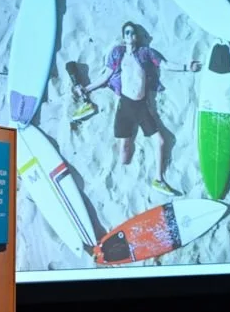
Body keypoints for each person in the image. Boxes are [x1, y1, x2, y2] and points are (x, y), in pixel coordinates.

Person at [79, 21, 201, 195]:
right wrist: (87, 89)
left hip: (142, 105)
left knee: (160, 141)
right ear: (123, 37)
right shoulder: (117, 53)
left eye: (132, 32)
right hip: (125, 105)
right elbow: (106, 75)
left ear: (136, 36)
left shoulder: (145, 53)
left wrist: (186, 68)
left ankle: (158, 180)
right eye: (127, 33)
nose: (130, 35)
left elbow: (164, 64)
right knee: (124, 157)